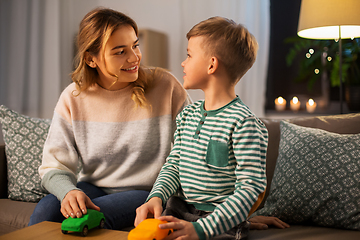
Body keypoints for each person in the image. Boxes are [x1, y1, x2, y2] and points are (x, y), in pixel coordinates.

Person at [28, 7, 191, 230]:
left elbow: (193, 148)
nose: (134, 58)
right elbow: (53, 165)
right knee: (46, 210)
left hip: (149, 192)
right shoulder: (73, 97)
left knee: (86, 220)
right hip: (94, 187)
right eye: (120, 52)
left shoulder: (166, 85)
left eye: (135, 45)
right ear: (91, 59)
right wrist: (69, 191)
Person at [135, 16, 273, 240]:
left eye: (189, 55)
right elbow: (174, 165)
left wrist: (201, 229)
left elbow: (251, 188)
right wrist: (156, 197)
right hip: (179, 209)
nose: (183, 62)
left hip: (220, 221)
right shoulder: (188, 115)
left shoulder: (244, 123)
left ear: (211, 64)